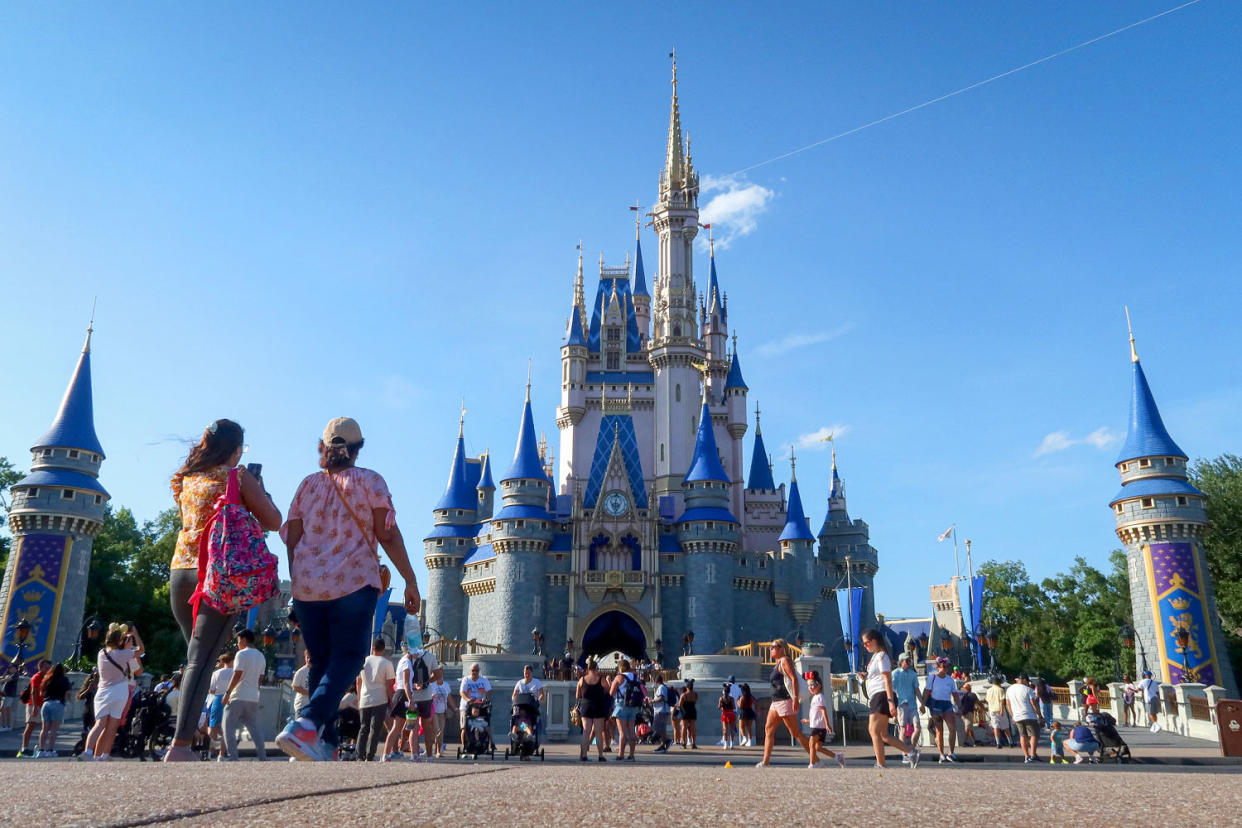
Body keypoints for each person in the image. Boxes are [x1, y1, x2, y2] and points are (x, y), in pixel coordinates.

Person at [276, 417, 421, 762]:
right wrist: (411, 579)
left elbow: (292, 539)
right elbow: (387, 534)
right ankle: (307, 724)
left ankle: (320, 742)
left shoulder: (307, 485)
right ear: (357, 449)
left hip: (308, 588)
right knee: (350, 656)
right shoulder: (370, 481)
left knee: (320, 662)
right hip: (354, 583)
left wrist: (300, 575)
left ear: (323, 448)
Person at [163, 420, 282, 762]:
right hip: (217, 575)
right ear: (235, 449)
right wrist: (259, 487)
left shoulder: (186, 478)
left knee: (194, 659)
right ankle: (181, 745)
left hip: (180, 571)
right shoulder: (237, 477)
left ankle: (186, 736)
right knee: (201, 660)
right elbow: (272, 520)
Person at [83, 623, 144, 761]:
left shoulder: (103, 653)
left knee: (103, 726)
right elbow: (139, 671)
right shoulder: (125, 655)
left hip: (105, 691)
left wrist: (130, 650)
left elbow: (138, 670)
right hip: (122, 691)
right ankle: (101, 755)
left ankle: (95, 755)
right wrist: (133, 647)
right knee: (110, 727)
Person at [859, 629, 918, 769]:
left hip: (881, 695)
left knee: (873, 730)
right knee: (884, 734)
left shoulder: (881, 656)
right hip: (877, 694)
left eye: (867, 643)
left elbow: (887, 679)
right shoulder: (875, 657)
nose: (866, 646)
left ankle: (880, 763)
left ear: (874, 641)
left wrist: (891, 701)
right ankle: (910, 751)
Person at [757, 639, 812, 767]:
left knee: (795, 733)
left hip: (784, 701)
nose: (770, 649)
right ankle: (765, 761)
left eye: (773, 647)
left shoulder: (785, 661)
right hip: (775, 702)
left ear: (782, 648)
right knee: (768, 730)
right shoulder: (777, 663)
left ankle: (814, 758)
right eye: (770, 647)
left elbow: (793, 678)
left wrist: (795, 698)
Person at [222, 628, 268, 761]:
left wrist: (227, 693)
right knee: (254, 728)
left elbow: (237, 675)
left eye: (238, 641)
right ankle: (262, 756)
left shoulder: (241, 654)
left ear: (243, 639)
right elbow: (260, 678)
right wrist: (254, 690)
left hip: (238, 695)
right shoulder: (261, 656)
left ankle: (233, 756)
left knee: (228, 725)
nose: (237, 644)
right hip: (253, 696)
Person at [399, 643, 441, 762]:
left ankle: (414, 755)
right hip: (426, 697)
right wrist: (426, 682)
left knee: (413, 728)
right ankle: (429, 756)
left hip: (412, 698)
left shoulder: (407, 658)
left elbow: (405, 681)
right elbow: (438, 674)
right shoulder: (431, 656)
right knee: (427, 727)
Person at [356, 638, 394, 761]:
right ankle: (369, 755)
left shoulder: (364, 662)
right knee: (375, 729)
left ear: (373, 648)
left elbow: (358, 682)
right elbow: (389, 684)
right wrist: (391, 699)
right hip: (380, 699)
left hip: (365, 699)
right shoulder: (386, 663)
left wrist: (359, 698)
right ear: (383, 649)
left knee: (363, 728)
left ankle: (359, 754)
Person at [802, 671, 844, 769]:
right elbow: (816, 714)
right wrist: (808, 721)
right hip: (817, 725)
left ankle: (813, 763)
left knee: (811, 744)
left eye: (813, 685)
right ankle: (837, 757)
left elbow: (823, 711)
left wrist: (827, 724)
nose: (811, 687)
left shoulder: (820, 697)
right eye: (809, 685)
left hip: (819, 727)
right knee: (818, 747)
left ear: (819, 685)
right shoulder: (815, 697)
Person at [922, 657, 959, 763]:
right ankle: (941, 754)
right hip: (935, 704)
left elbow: (955, 694)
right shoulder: (932, 677)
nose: (945, 668)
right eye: (943, 666)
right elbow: (927, 692)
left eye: (947, 667)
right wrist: (923, 705)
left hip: (947, 704)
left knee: (952, 729)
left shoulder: (950, 680)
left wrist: (959, 706)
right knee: (939, 731)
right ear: (939, 667)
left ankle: (951, 753)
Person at [609, 658, 643, 761]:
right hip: (633, 705)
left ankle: (621, 754)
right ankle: (631, 755)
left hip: (621, 705)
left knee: (622, 732)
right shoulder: (635, 677)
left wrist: (609, 682)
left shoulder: (619, 677)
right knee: (632, 731)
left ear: (620, 667)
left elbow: (611, 692)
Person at [1005, 674, 1044, 764]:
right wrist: (1040, 716)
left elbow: (1008, 704)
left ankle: (1026, 756)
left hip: (1017, 716)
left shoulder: (1009, 690)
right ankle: (1033, 755)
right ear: (1025, 680)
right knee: (1034, 735)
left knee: (1023, 735)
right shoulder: (1028, 689)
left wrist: (1013, 716)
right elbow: (1033, 703)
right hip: (1029, 715)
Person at [577, 658, 610, 761]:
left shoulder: (582, 680)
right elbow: (608, 692)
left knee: (586, 732)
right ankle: (600, 755)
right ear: (596, 668)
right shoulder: (601, 679)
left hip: (586, 707)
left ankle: (583, 755)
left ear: (587, 668)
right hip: (598, 706)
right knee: (599, 732)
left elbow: (578, 695)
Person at [17, 658, 51, 758]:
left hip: (43, 704)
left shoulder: (48, 677)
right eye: (46, 667)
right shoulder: (36, 677)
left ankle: (40, 748)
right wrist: (35, 707)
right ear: (40, 667)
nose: (48, 669)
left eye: (49, 667)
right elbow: (33, 692)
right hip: (34, 704)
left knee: (44, 727)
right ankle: (24, 749)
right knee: (30, 725)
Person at [37, 663, 71, 758]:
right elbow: (68, 693)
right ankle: (50, 750)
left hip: (46, 703)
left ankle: (41, 750)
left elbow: (41, 693)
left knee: (44, 729)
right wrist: (68, 702)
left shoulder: (47, 679)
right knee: (53, 729)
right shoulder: (64, 680)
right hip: (57, 703)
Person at [891, 653, 922, 757]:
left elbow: (916, 689)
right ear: (901, 662)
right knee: (903, 728)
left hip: (912, 704)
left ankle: (911, 749)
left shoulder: (913, 674)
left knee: (917, 727)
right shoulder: (894, 674)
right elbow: (891, 690)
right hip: (901, 704)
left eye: (909, 661)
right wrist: (891, 705)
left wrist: (922, 703)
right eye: (906, 661)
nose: (908, 662)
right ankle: (904, 752)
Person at [206, 653, 234, 761]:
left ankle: (211, 749)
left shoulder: (216, 673)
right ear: (232, 660)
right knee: (226, 728)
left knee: (212, 726)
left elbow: (211, 690)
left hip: (217, 699)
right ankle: (221, 754)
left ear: (222, 662)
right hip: (230, 699)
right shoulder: (236, 672)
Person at [458, 663, 492, 746]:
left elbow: (489, 691)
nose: (475, 672)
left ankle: (484, 742)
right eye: (473, 671)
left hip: (480, 706)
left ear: (479, 671)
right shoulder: (466, 680)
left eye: (476, 671)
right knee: (464, 727)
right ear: (470, 671)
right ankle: (464, 746)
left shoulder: (484, 680)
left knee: (483, 723)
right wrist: (468, 699)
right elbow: (462, 692)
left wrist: (485, 698)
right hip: (467, 706)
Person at [429, 671, 455, 758]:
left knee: (441, 731)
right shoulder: (431, 684)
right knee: (436, 729)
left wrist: (455, 708)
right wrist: (431, 696)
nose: (439, 675)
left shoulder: (446, 685)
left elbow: (449, 697)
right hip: (434, 711)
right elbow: (426, 695)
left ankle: (438, 751)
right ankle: (429, 748)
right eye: (438, 673)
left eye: (441, 673)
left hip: (443, 711)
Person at [985, 676, 1010, 748]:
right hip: (999, 709)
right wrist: (1002, 710)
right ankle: (1010, 742)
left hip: (992, 710)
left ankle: (998, 743)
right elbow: (1002, 701)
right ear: (999, 683)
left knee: (996, 726)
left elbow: (987, 700)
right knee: (1005, 726)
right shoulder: (1001, 690)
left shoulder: (989, 690)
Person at [650, 673, 672, 753]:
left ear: (655, 680)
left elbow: (661, 698)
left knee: (659, 728)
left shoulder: (661, 687)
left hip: (661, 710)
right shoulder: (663, 687)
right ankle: (664, 744)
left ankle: (667, 741)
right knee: (661, 729)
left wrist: (652, 701)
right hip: (661, 710)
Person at [676, 678, 698, 749]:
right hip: (693, 711)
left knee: (684, 728)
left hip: (685, 711)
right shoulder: (695, 694)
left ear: (687, 687)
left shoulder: (684, 695)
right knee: (693, 728)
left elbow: (679, 705)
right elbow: (695, 701)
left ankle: (684, 743)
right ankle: (693, 743)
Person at [291, 651, 312, 722]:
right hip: (302, 706)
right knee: (300, 729)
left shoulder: (319, 672)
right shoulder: (301, 672)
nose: (309, 659)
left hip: (313, 707)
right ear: (305, 658)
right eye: (307, 657)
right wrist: (309, 693)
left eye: (311, 657)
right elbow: (295, 686)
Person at [958, 682, 978, 746]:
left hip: (962, 713)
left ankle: (974, 741)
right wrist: (983, 708)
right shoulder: (973, 695)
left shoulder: (962, 695)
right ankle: (965, 741)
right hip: (969, 712)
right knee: (968, 727)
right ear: (969, 688)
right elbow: (978, 702)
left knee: (970, 727)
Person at [737, 683, 756, 748]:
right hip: (750, 712)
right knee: (749, 727)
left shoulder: (742, 697)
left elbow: (740, 706)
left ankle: (744, 738)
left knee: (741, 727)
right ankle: (750, 741)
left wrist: (738, 702)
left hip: (743, 712)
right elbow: (754, 703)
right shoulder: (751, 697)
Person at [0, 663, 18, 732]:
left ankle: (4, 726)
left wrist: (2, 679)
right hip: (6, 695)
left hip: (9, 695)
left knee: (3, 709)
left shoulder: (15, 675)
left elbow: (6, 680)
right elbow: (3, 677)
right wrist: (6, 672)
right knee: (7, 709)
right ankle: (8, 725)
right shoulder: (10, 674)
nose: (10, 669)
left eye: (12, 668)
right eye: (10, 668)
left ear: (16, 669)